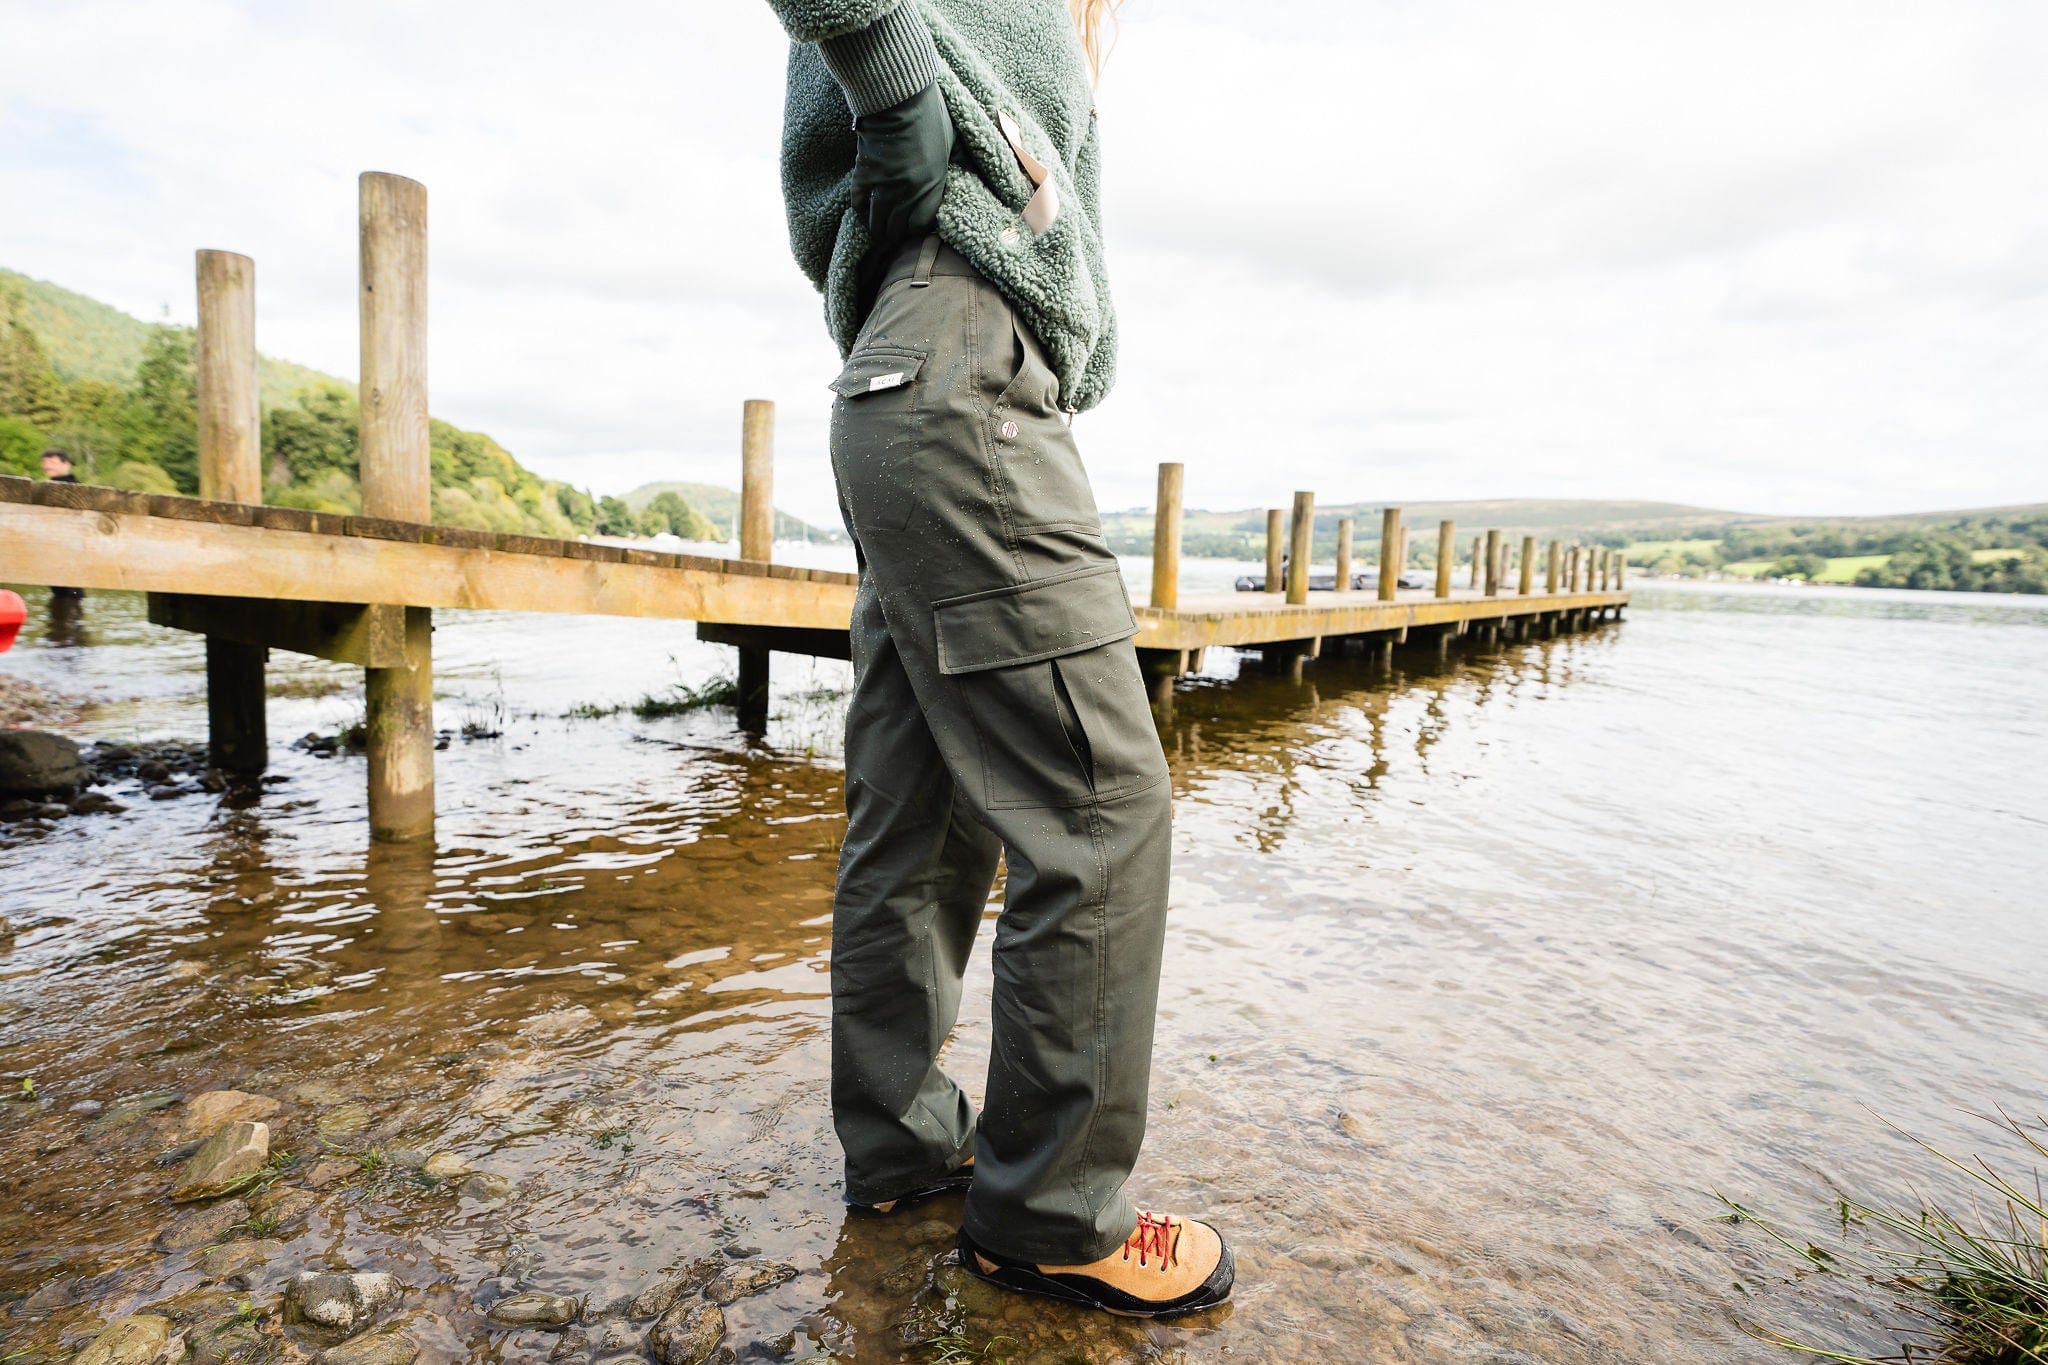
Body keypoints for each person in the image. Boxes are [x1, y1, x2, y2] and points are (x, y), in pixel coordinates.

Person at [758, 0, 1233, 1319]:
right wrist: (906, 99)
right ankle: (1051, 1214)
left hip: (900, 381)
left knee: (924, 814)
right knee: (1101, 807)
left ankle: (907, 1155)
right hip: (962, 371)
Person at [39, 450, 86, 608]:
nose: (46, 465)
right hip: (55, 546)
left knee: (69, 591)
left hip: (70, 547)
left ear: (66, 463)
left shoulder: (76, 488)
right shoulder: (48, 487)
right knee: (61, 591)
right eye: (44, 462)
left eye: (51, 461)